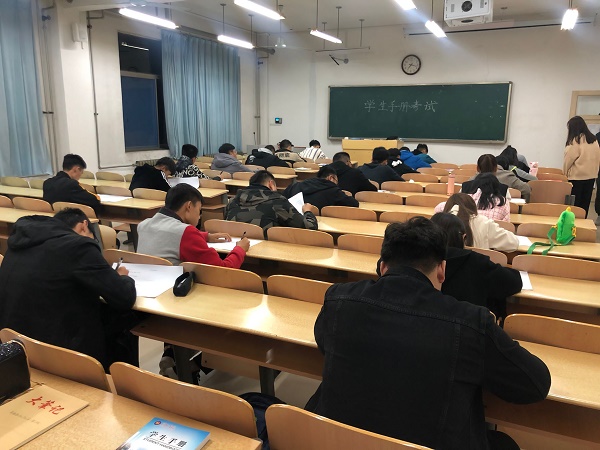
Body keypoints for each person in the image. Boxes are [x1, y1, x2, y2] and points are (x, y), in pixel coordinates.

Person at [306, 217, 550, 450]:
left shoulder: (338, 299)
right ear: (442, 270)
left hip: (335, 440)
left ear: (382, 267)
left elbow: (323, 341)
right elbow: (536, 383)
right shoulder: (471, 323)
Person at [0, 208, 137, 371]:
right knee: (127, 318)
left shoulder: (21, 240)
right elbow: (124, 297)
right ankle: (122, 381)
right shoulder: (78, 246)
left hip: (16, 344)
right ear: (83, 226)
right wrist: (122, 277)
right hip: (60, 351)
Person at [431, 212, 522, 319]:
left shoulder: (421, 261)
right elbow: (514, 282)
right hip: (470, 325)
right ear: (464, 238)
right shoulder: (476, 262)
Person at [137, 183, 249, 267]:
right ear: (189, 206)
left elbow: (169, 235)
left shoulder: (144, 224)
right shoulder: (186, 232)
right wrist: (240, 249)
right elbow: (222, 269)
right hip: (173, 286)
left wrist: (206, 236)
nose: (199, 216)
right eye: (199, 210)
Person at [226, 170, 318, 237]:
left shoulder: (232, 201)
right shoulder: (277, 201)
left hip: (236, 248)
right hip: (267, 250)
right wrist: (307, 212)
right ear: (271, 184)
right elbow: (310, 228)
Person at [442, 193, 519, 251]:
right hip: (476, 266)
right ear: (473, 207)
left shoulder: (439, 222)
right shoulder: (484, 223)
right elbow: (513, 243)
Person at [563, 116, 600, 218]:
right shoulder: (594, 140)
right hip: (591, 177)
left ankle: (572, 223)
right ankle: (583, 223)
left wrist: (564, 174)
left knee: (574, 206)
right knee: (584, 205)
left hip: (576, 178)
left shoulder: (576, 141)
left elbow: (568, 160)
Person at [438, 173, 511, 221]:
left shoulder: (467, 198)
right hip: (492, 237)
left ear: (475, 184)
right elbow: (506, 225)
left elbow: (439, 208)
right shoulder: (504, 202)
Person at [283, 166, 358, 211]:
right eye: (336, 181)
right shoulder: (333, 190)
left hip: (292, 225)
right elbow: (354, 204)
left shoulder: (296, 185)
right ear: (331, 178)